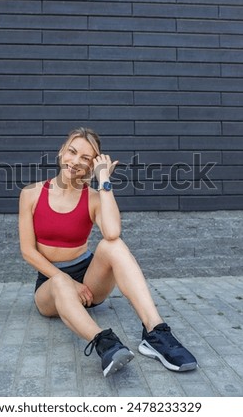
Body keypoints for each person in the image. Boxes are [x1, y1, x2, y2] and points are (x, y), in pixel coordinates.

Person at [19, 127, 197, 377]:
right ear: (62, 152)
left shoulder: (92, 197)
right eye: (72, 151)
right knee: (60, 282)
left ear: (91, 166)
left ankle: (155, 332)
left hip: (89, 280)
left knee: (112, 246)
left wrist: (104, 182)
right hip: (50, 281)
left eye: (86, 158)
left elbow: (112, 233)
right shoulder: (31, 193)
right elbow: (27, 251)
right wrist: (68, 281)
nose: (76, 161)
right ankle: (106, 343)